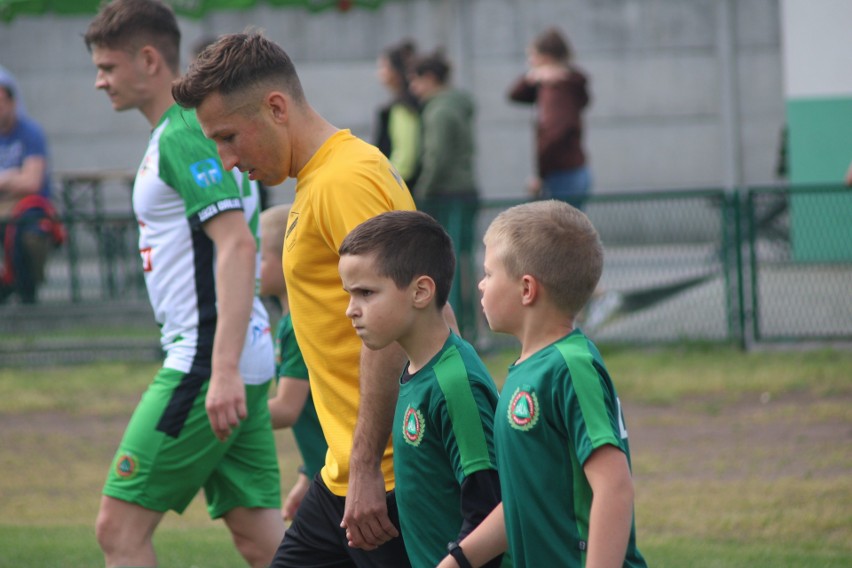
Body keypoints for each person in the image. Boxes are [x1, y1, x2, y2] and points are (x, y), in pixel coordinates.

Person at [172, 31, 421, 567]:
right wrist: (327, 468)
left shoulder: (345, 181)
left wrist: (364, 472)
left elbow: (395, 327)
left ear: (276, 107)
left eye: (229, 137)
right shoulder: (320, 179)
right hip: (345, 474)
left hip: (390, 481)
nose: (226, 160)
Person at [83, 2, 285, 566]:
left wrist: (219, 370)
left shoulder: (183, 133)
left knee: (117, 530)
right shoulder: (184, 132)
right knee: (261, 539)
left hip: (205, 360)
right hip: (230, 357)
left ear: (149, 60)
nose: (99, 82)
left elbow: (238, 245)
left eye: (107, 68)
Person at [437, 200, 646, 568]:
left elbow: (614, 487)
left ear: (527, 289)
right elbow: (522, 501)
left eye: (489, 274)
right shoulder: (526, 369)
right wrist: (458, 561)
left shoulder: (571, 366)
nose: (481, 286)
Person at [338, 210, 504, 568]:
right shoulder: (416, 368)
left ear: (421, 292)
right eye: (350, 295)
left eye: (366, 293)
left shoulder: (456, 385)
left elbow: (489, 510)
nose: (351, 310)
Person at [259, 203, 327, 522]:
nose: (251, 266)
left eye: (259, 258)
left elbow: (287, 409)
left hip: (340, 483)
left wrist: (215, 420)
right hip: (324, 475)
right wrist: (307, 473)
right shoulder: (289, 322)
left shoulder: (299, 325)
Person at [409, 49, 479, 340]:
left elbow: (436, 157)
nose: (413, 87)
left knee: (448, 263)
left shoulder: (438, 110)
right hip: (466, 190)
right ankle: (471, 328)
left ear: (430, 78)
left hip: (447, 195)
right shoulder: (458, 104)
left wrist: (421, 192)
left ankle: (457, 330)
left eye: (416, 80)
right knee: (464, 260)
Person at [507, 27, 592, 209]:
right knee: (570, 231)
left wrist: (541, 175)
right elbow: (516, 94)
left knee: (561, 234)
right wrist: (532, 77)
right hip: (570, 170)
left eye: (532, 56)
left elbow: (556, 132)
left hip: (562, 173)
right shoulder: (561, 84)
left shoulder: (556, 90)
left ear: (545, 57)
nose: (529, 62)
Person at [0, 67, 64, 305]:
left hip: (29, 208)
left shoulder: (29, 132)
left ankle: (28, 295)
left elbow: (32, 182)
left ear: (13, 101)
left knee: (28, 235)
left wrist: (5, 180)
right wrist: (13, 176)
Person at [374, 39, 421, 188]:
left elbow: (405, 156)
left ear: (396, 71)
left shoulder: (402, 107)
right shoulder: (410, 103)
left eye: (383, 67)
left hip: (401, 186)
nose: (379, 73)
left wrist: (387, 183)